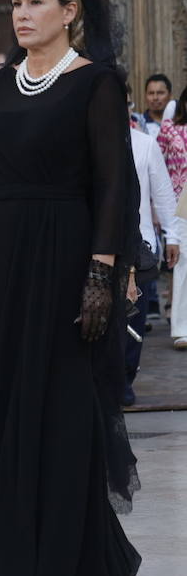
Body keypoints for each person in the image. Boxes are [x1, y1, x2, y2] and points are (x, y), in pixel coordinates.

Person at [0, 0, 153, 576]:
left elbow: (113, 186)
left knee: (63, 407)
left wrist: (103, 273)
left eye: (35, 2)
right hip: (4, 258)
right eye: (15, 3)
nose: (21, 13)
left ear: (70, 12)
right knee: (7, 403)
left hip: (68, 256)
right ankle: (8, 561)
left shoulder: (96, 82)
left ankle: (70, 567)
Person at [125, 123, 178, 405]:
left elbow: (163, 191)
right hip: (97, 244)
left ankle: (125, 377)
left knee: (135, 316)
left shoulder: (145, 143)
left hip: (141, 243)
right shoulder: (84, 137)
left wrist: (172, 236)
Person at [156, 87, 187, 349]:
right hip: (181, 203)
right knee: (183, 265)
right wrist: (158, 207)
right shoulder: (169, 130)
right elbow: (158, 164)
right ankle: (181, 328)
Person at [134, 73, 174, 139]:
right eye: (151, 93)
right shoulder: (137, 122)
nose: (155, 98)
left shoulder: (180, 123)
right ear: (145, 96)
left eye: (160, 93)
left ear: (170, 95)